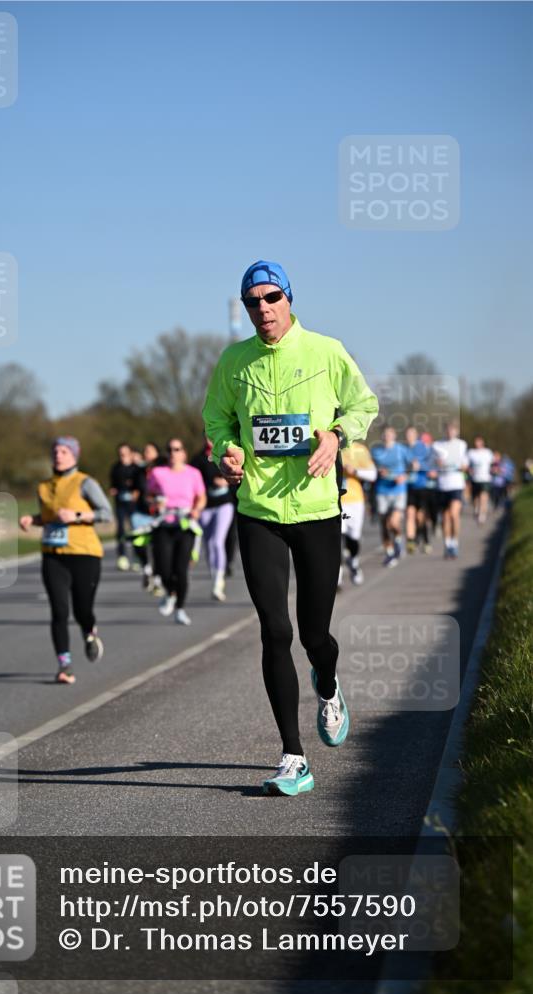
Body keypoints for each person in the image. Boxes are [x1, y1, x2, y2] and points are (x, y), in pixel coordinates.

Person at [203, 260, 378, 796]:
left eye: (271, 297)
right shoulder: (233, 360)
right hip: (258, 512)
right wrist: (226, 452)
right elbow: (217, 421)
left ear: (289, 298)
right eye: (252, 301)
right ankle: (293, 756)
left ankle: (327, 683)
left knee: (314, 634)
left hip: (317, 511)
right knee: (275, 631)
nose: (262, 308)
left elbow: (364, 404)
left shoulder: (326, 351)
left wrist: (336, 435)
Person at [19, 436, 112, 683]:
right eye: (55, 451)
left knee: (82, 610)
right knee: (59, 610)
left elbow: (106, 513)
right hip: (53, 555)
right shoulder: (43, 486)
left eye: (64, 451)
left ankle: (89, 631)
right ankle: (64, 665)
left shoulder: (85, 483)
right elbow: (49, 518)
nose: (58, 455)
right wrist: (32, 519)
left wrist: (77, 515)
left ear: (74, 455)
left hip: (84, 554)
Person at [147, 437, 206, 626]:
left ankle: (180, 609)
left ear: (184, 453)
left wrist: (197, 510)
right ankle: (170, 592)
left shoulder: (193, 473)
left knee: (181, 570)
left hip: (185, 525)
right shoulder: (158, 473)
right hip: (164, 524)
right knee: (163, 569)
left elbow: (201, 497)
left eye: (177, 449)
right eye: (170, 449)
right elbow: (149, 495)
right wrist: (155, 502)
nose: (173, 452)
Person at [191, 436, 235, 601]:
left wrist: (227, 480)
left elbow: (240, 473)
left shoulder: (228, 453)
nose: (210, 440)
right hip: (206, 506)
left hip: (224, 504)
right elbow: (192, 481)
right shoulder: (198, 459)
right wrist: (211, 481)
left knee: (217, 541)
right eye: (207, 436)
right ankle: (214, 575)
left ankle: (218, 582)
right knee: (208, 544)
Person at [338, 441, 376, 587]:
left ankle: (353, 561)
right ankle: (337, 577)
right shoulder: (328, 445)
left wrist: (355, 471)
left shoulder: (359, 450)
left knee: (353, 538)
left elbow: (373, 474)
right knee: (337, 538)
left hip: (354, 500)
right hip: (334, 501)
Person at [370, 426, 409, 567]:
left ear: (394, 435)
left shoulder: (401, 450)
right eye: (385, 434)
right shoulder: (376, 451)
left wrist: (404, 476)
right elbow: (370, 467)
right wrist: (378, 471)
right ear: (382, 436)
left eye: (390, 434)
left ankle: (398, 539)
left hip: (398, 490)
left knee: (393, 522)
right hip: (382, 491)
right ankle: (389, 552)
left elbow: (414, 466)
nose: (387, 436)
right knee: (383, 524)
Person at [131, 441, 164, 593]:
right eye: (145, 451)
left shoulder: (163, 470)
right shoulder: (139, 471)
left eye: (150, 451)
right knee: (138, 542)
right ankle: (146, 568)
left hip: (159, 515)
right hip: (141, 512)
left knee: (157, 546)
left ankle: (157, 578)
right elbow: (135, 489)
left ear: (157, 453)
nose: (147, 454)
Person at [432, 421, 468, 558]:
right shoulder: (437, 445)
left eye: (452, 430)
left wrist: (461, 466)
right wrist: (437, 464)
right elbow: (432, 464)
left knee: (454, 514)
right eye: (447, 430)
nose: (450, 432)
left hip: (456, 484)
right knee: (445, 517)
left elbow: (465, 464)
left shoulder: (461, 445)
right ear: (444, 431)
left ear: (456, 431)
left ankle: (455, 542)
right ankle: (447, 544)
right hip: (442, 485)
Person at [403, 425, 435, 553]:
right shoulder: (404, 449)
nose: (409, 436)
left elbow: (430, 465)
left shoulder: (423, 448)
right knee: (410, 514)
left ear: (416, 435)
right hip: (408, 487)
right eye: (408, 434)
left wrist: (419, 465)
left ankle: (425, 540)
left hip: (422, 486)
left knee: (420, 516)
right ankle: (411, 541)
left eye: (412, 434)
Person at [109, 443, 139, 571]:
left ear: (130, 453)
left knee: (135, 530)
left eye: (125, 453)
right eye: (121, 454)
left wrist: (136, 492)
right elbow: (113, 484)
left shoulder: (136, 468)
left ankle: (137, 557)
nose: (123, 456)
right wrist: (113, 490)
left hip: (134, 504)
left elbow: (142, 485)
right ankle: (122, 557)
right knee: (121, 529)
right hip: (120, 503)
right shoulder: (116, 468)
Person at [466, 435, 494, 524]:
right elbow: (466, 464)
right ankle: (476, 509)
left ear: (482, 442)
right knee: (475, 498)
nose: (477, 443)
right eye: (476, 442)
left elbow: (493, 463)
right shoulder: (471, 453)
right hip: (474, 479)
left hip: (485, 478)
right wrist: (469, 470)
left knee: (483, 497)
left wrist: (494, 470)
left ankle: (482, 515)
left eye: (479, 442)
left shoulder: (488, 452)